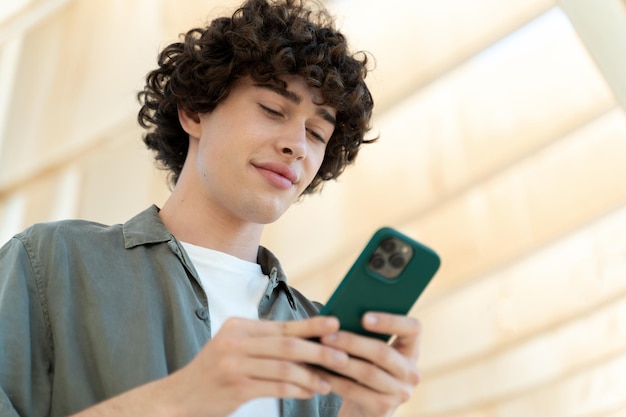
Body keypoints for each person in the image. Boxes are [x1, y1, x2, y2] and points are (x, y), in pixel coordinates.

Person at [0, 0, 422, 416]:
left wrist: (360, 413)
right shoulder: (53, 262)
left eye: (316, 133)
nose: (296, 144)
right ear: (194, 111)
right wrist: (178, 399)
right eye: (273, 110)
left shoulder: (320, 338)